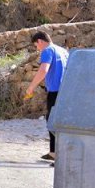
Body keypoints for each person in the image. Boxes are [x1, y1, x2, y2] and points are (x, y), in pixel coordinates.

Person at [24, 31, 69, 161]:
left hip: (55, 92)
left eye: (36, 45)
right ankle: (55, 152)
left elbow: (44, 70)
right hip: (66, 91)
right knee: (61, 121)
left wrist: (31, 87)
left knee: (52, 121)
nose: (37, 48)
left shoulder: (47, 50)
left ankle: (56, 155)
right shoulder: (63, 51)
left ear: (40, 41)